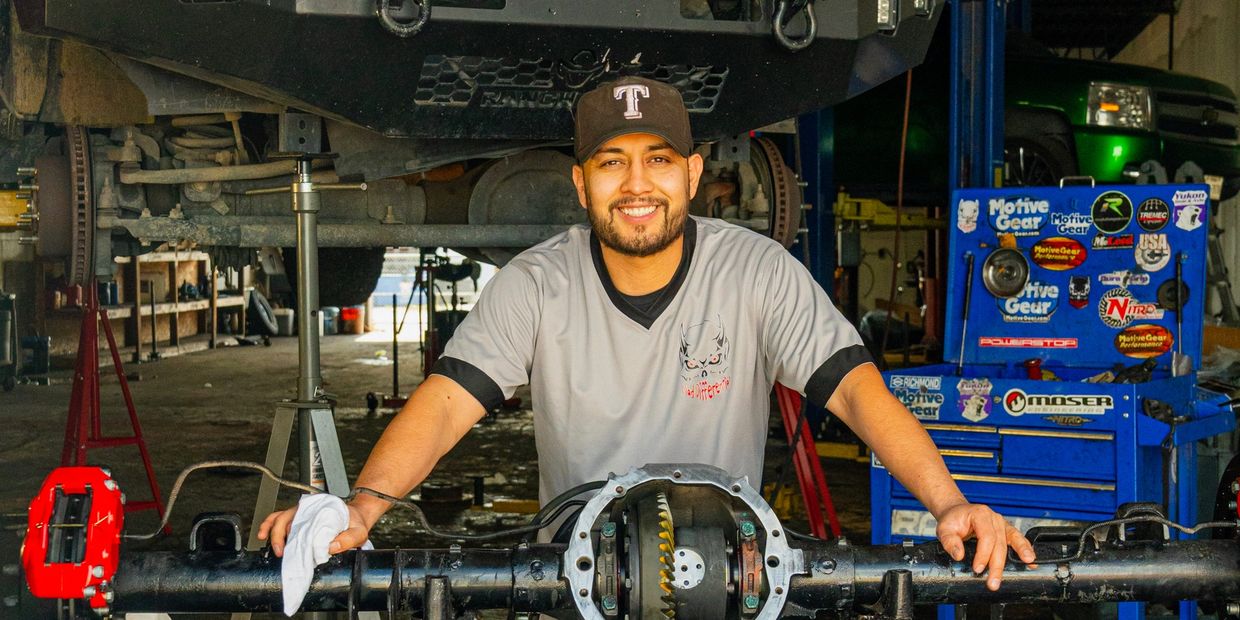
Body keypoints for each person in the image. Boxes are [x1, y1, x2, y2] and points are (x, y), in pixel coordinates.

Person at [260, 76, 1035, 590]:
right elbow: (444, 405)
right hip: (579, 577)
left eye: (658, 160)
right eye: (612, 162)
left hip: (728, 576)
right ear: (580, 183)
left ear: (692, 174)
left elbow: (858, 394)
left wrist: (948, 504)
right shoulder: (537, 283)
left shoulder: (756, 271)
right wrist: (360, 510)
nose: (637, 185)